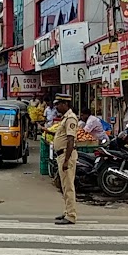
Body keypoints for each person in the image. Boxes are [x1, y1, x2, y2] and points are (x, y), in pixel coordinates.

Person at [49, 95, 80, 224]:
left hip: (66, 155)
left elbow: (70, 140)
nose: (56, 107)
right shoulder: (65, 118)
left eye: (58, 104)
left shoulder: (71, 118)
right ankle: (67, 211)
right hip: (61, 155)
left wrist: (66, 160)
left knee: (68, 186)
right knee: (64, 186)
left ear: (65, 104)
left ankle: (71, 215)